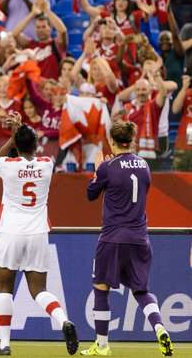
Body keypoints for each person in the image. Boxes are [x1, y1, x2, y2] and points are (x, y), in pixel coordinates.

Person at [81, 121, 174, 356]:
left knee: (100, 288)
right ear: (132, 140)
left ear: (112, 141)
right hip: (140, 237)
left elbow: (91, 195)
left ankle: (102, 345)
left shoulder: (108, 167)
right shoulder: (144, 166)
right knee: (141, 290)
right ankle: (160, 327)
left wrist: (97, 170)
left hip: (112, 237)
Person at [0, 118, 78, 356]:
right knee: (39, 290)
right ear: (37, 144)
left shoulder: (7, 165)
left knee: (5, 288)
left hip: (10, 232)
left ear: (16, 145)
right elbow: (29, 153)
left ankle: (5, 344)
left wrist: (12, 135)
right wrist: (20, 135)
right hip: (38, 233)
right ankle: (63, 322)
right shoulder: (47, 164)